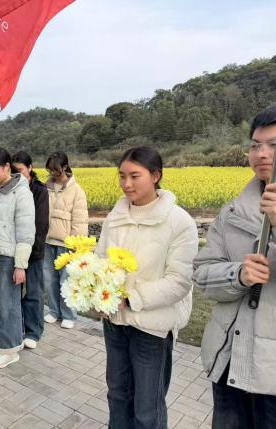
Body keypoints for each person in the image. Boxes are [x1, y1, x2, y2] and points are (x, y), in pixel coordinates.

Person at [193, 104, 276, 428]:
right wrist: (239, 275)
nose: (262, 153)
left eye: (274, 144)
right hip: (229, 360)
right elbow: (203, 273)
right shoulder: (233, 212)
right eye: (255, 145)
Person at [96, 147, 198, 429]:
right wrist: (96, 292)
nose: (126, 184)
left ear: (155, 176)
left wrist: (130, 299)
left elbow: (179, 281)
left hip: (152, 330)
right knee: (118, 395)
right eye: (122, 176)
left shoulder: (179, 222)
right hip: (115, 322)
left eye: (134, 176)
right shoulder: (115, 216)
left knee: (147, 408)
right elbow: (100, 259)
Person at [0, 147, 35, 368]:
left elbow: (26, 232)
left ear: (6, 167)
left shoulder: (21, 193)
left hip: (8, 258)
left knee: (8, 305)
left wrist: (20, 265)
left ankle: (10, 349)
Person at [43, 151, 88, 329]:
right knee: (49, 280)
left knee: (66, 281)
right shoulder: (46, 187)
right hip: (47, 242)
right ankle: (54, 311)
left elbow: (80, 220)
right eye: (50, 170)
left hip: (66, 244)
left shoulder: (77, 191)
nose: (53, 174)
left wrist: (77, 245)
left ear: (65, 167)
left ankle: (69, 314)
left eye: (56, 170)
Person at [12, 151, 49, 349]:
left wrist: (29, 251)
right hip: (14, 250)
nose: (17, 175)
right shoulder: (11, 189)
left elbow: (40, 224)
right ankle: (17, 328)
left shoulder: (39, 190)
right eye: (13, 171)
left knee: (34, 292)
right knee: (13, 293)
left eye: (20, 170)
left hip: (34, 252)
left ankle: (34, 331)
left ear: (30, 168)